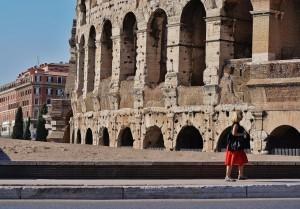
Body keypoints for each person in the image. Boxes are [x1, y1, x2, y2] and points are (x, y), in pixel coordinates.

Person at [225, 110, 248, 182]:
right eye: (241, 114)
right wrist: (242, 134)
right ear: (238, 116)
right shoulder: (236, 125)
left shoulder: (237, 124)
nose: (242, 116)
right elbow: (234, 133)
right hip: (234, 147)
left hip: (237, 146)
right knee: (230, 161)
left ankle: (240, 175)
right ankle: (227, 176)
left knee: (241, 160)